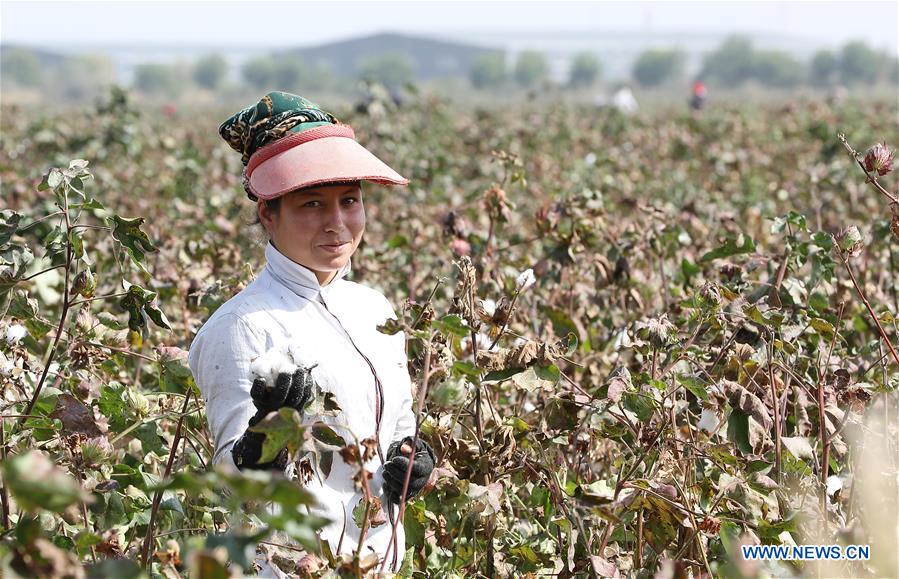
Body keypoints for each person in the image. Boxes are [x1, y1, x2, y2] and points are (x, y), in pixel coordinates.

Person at [187, 91, 435, 572]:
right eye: (312, 204)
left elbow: (398, 424)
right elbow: (230, 488)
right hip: (288, 566)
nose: (337, 223)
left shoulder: (372, 308)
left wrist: (412, 459)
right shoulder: (241, 327)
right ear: (267, 213)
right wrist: (264, 444)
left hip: (377, 561)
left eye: (350, 201)